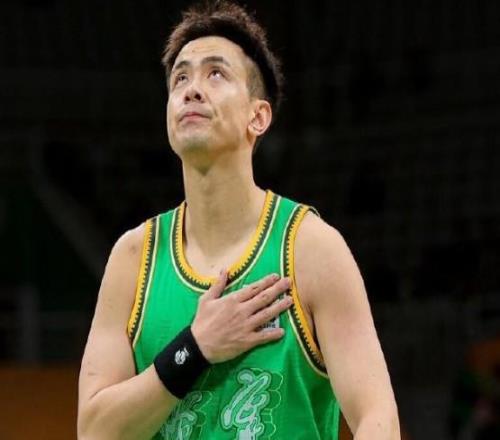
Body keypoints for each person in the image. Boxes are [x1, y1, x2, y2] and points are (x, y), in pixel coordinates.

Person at [77, 1, 400, 439]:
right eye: (180, 78)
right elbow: (94, 431)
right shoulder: (134, 258)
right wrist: (195, 347)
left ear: (258, 116)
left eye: (216, 74)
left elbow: (377, 418)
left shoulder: (310, 249)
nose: (192, 90)